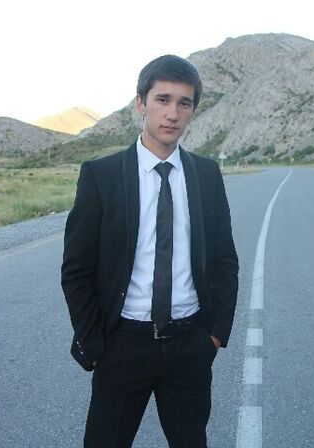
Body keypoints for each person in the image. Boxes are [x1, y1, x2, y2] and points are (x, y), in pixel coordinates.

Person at [61, 54, 239, 448]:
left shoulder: (206, 175)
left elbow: (224, 261)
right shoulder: (101, 176)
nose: (172, 113)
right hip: (122, 346)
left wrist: (214, 335)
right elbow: (76, 269)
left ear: (193, 110)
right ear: (141, 103)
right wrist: (95, 344)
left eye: (184, 102)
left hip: (190, 346)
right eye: (162, 99)